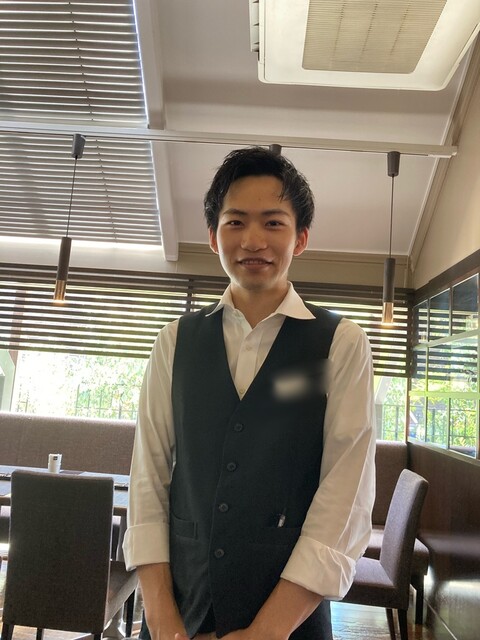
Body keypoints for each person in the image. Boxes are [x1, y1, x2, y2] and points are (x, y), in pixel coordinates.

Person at [123, 147, 376, 640]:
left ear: (301, 238)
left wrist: (269, 629)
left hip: (291, 619)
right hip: (181, 611)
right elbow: (147, 477)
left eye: (273, 223)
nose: (253, 240)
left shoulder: (341, 344)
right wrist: (162, 618)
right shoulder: (174, 341)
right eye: (235, 222)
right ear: (213, 236)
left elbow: (345, 494)